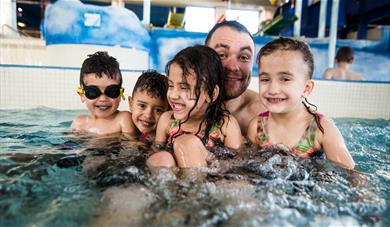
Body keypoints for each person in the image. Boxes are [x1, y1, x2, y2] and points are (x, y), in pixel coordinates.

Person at [247, 37, 356, 170]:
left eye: (285, 79)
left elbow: (353, 174)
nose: (272, 89)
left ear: (306, 88)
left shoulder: (321, 129)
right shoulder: (257, 127)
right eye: (265, 79)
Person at [147, 45, 243, 168]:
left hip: (209, 179)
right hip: (175, 177)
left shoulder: (225, 125)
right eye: (170, 86)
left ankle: (193, 186)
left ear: (211, 94)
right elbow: (155, 150)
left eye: (184, 87)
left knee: (186, 143)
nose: (174, 95)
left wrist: (208, 157)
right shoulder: (167, 120)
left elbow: (238, 165)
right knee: (160, 158)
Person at [205, 20, 266, 136]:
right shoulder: (178, 102)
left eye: (243, 57)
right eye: (222, 55)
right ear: (203, 57)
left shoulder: (266, 113)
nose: (233, 67)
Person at [71, 51, 137, 136]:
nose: (103, 99)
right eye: (93, 91)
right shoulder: (79, 123)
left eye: (111, 91)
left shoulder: (123, 119)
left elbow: (131, 146)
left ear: (120, 94)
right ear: (82, 95)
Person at [128, 70, 169, 140]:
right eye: (142, 106)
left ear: (168, 110)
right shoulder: (125, 124)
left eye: (158, 110)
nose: (148, 115)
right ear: (131, 103)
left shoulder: (161, 138)